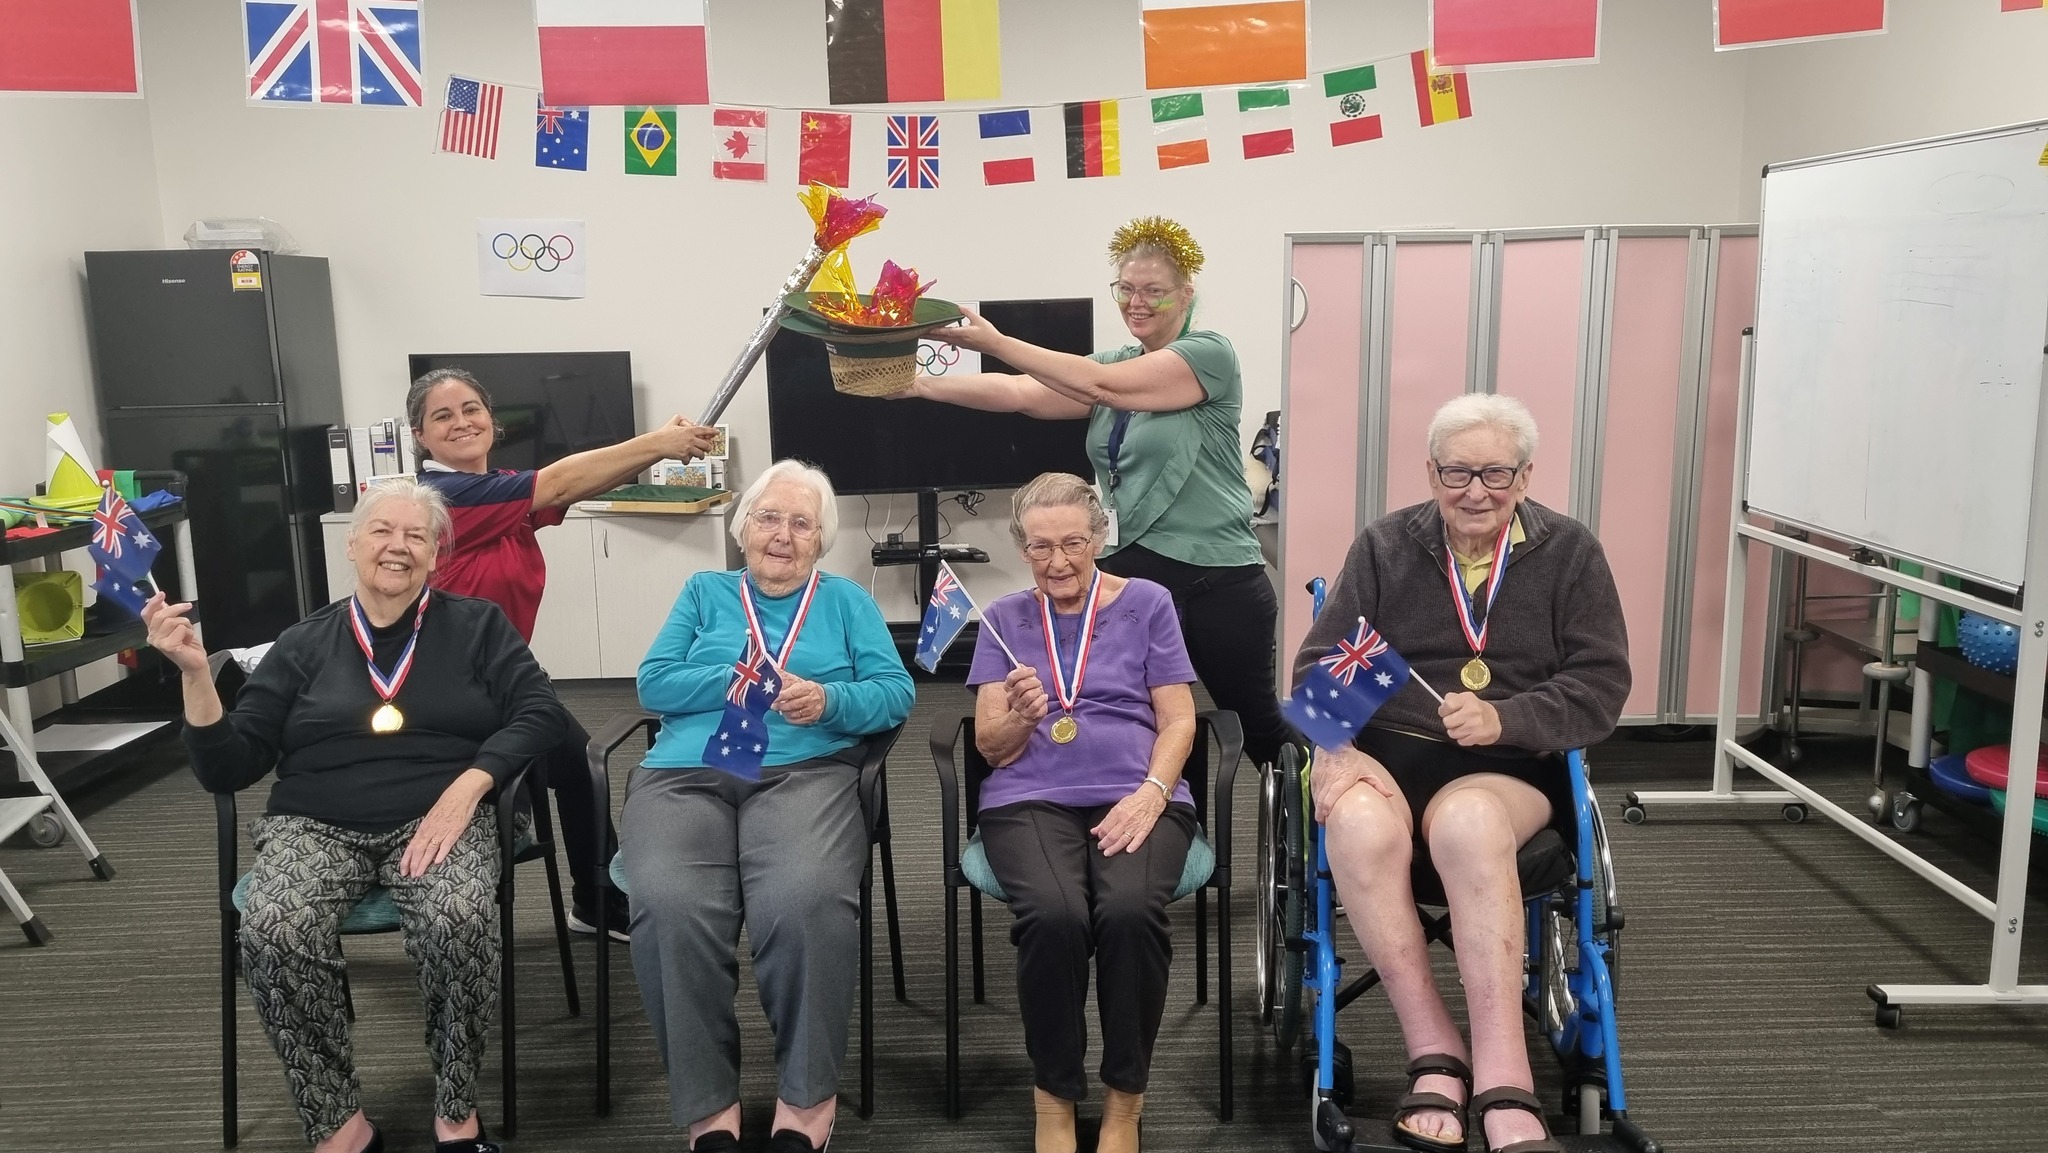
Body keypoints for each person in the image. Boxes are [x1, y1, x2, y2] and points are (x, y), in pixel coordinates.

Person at [145, 477, 568, 1153]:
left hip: (441, 813)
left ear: (436, 554)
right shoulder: (303, 642)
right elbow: (228, 765)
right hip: (315, 820)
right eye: (382, 530)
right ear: (352, 543)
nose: (397, 546)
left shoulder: (476, 626)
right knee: (275, 927)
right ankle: (339, 1124)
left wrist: (469, 787)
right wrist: (197, 675)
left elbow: (542, 710)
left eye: (416, 535)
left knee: (459, 917)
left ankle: (457, 1115)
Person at [1290, 394, 1630, 1153]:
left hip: (1508, 766)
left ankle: (1506, 1067)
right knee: (1352, 821)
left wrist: (1505, 718)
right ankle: (1434, 1049)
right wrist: (1337, 748)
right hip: (1395, 750)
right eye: (1457, 471)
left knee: (1468, 822)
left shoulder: (1571, 553)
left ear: (1526, 474)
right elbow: (1323, 662)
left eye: (1495, 472)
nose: (1475, 490)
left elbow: (1601, 682)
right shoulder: (1386, 546)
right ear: (1431, 472)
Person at [901, 215, 1293, 770]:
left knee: (1254, 726)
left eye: (1154, 291)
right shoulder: (1117, 363)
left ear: (1186, 294)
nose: (1137, 303)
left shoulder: (1210, 354)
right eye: (1126, 289)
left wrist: (995, 340)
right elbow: (1021, 393)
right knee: (1138, 721)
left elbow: (1097, 386)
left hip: (1217, 581)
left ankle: (1317, 837)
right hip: (1131, 574)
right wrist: (918, 386)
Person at [622, 459, 915, 1153]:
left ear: (819, 540)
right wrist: (735, 676)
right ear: (743, 525)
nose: (781, 534)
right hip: (688, 772)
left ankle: (807, 1097)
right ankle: (708, 1106)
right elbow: (653, 684)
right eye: (768, 517)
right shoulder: (703, 591)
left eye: (801, 522)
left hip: (806, 770)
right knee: (667, 901)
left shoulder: (845, 601)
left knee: (806, 896)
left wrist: (830, 699)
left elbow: (895, 692)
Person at [407, 365, 718, 940]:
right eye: (442, 416)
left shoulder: (498, 488)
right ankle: (462, 903)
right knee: (557, 772)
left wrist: (659, 453)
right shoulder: (438, 499)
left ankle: (596, 903)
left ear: (491, 421)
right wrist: (659, 442)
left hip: (504, 675)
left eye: (471, 409)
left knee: (579, 766)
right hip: (446, 688)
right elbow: (557, 485)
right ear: (420, 437)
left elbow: (576, 485)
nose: (461, 422)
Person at [965, 472, 1199, 1153]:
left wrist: (1153, 791)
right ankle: (1055, 1097)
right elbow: (989, 746)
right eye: (1040, 547)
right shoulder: (1004, 619)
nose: (1058, 561)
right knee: (1055, 914)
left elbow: (1179, 718)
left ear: (1100, 536)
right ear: (1021, 548)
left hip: (1140, 789)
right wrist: (1021, 716)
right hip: (1027, 797)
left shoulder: (1147, 603)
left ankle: (1125, 1101)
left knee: (1128, 911)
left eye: (1073, 542)